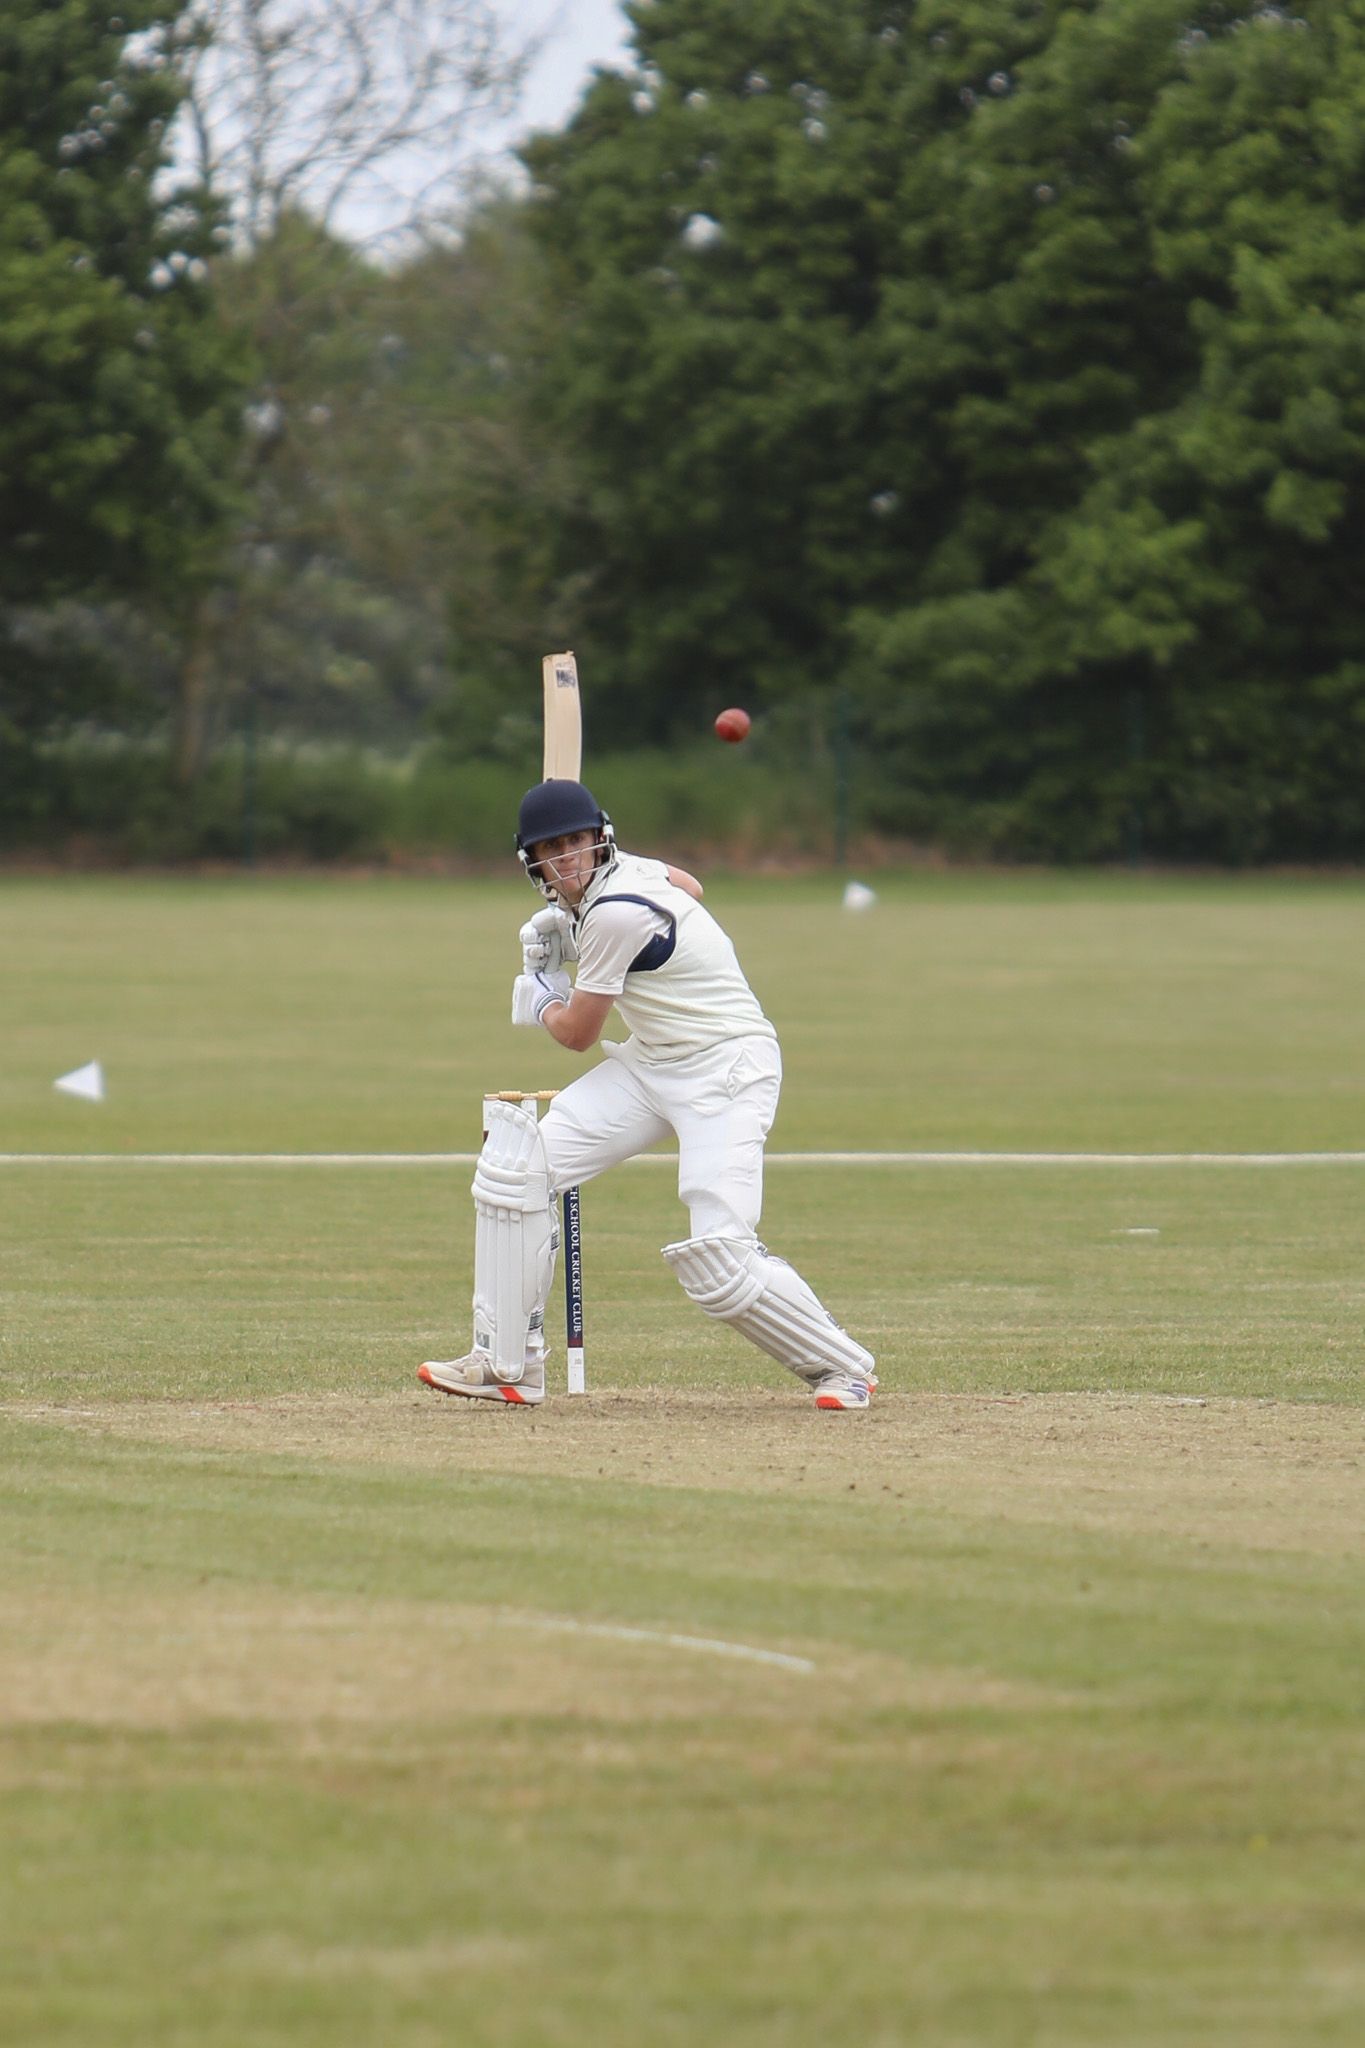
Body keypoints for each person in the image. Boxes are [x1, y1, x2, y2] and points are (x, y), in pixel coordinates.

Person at [419, 778, 877, 1411]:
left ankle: (843, 1367)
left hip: (726, 1068)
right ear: (533, 863)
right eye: (551, 850)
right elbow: (691, 886)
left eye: (577, 842)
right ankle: (507, 1364)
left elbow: (577, 1033)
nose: (568, 860)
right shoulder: (632, 876)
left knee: (720, 1256)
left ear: (600, 838)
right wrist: (572, 930)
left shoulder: (614, 913)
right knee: (518, 1168)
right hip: (654, 1062)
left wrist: (545, 989)